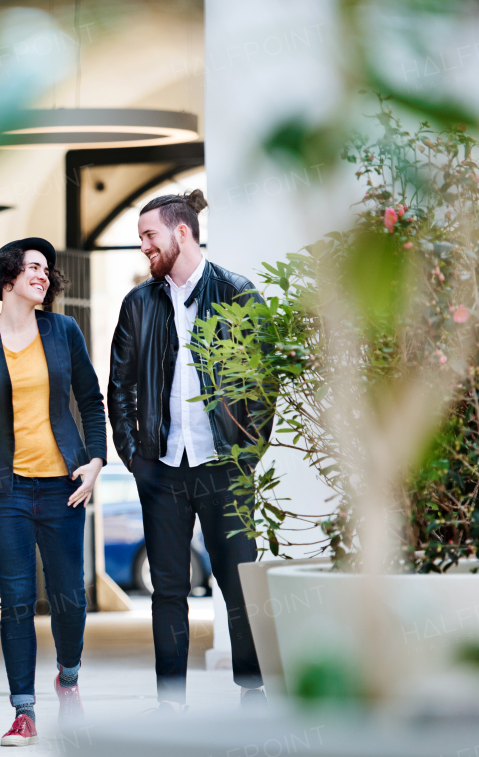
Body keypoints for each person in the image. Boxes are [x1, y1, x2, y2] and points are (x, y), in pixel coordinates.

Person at [106, 190, 273, 712]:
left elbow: (263, 385)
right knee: (169, 589)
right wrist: (137, 460)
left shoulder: (239, 295)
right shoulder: (138, 303)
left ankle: (253, 688)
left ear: (182, 233)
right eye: (140, 240)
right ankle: (171, 701)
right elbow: (120, 387)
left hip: (224, 465)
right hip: (162, 469)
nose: (144, 248)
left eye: (149, 236)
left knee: (238, 581)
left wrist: (245, 456)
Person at [0, 238, 106, 746]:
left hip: (63, 485)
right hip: (5, 492)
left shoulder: (63, 331)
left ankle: (68, 679)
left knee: (68, 598)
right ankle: (24, 711)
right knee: (16, 600)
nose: (44, 275)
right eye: (33, 267)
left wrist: (96, 461)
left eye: (47, 269)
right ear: (8, 278)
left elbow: (90, 398)